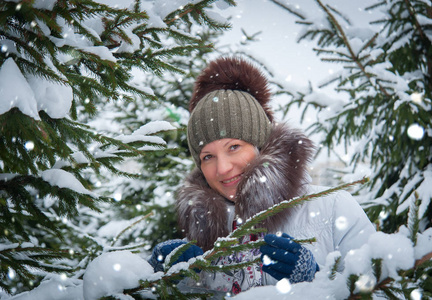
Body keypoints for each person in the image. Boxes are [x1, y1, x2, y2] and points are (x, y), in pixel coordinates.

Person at [148, 56, 375, 295]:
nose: (222, 168)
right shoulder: (204, 232)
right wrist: (158, 282)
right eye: (208, 157)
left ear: (261, 144)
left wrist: (318, 281)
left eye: (233, 147)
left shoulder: (332, 207)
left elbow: (383, 289)